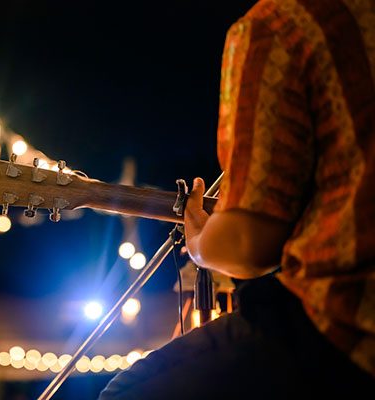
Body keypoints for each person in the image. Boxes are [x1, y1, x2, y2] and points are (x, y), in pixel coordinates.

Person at [100, 0, 375, 398]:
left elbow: (247, 246)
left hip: (344, 327)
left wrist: (200, 243)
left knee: (128, 391)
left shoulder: (279, 25)